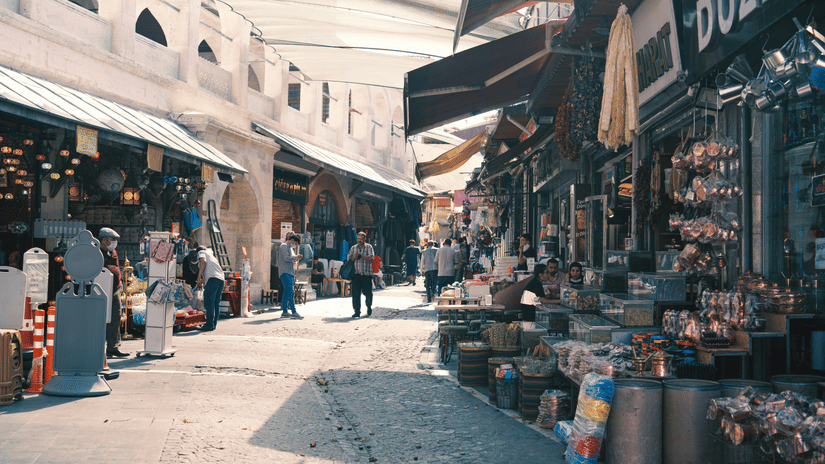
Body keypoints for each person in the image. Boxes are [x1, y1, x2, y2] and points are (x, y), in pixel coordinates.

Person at [99, 228, 128, 358]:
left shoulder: (113, 251)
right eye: (112, 240)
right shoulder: (96, 251)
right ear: (104, 240)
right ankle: (98, 346)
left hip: (114, 288)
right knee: (100, 319)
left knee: (115, 317)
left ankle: (113, 347)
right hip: (100, 289)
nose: (114, 242)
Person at [195, 241, 226, 331]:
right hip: (220, 279)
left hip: (213, 279)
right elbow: (210, 269)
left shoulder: (201, 252)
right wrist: (202, 281)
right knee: (216, 303)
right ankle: (213, 324)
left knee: (209, 302)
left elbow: (203, 262)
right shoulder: (212, 256)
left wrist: (199, 276)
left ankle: (209, 324)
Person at [347, 231, 374, 318]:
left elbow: (371, 258)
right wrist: (353, 257)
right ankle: (357, 311)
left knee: (368, 292)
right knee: (356, 293)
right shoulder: (353, 248)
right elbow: (348, 259)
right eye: (358, 239)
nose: (359, 240)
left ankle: (369, 305)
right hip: (356, 274)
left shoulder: (369, 247)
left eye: (361, 239)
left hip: (367, 274)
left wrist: (361, 256)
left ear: (364, 239)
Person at [277, 234, 303, 319]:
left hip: (290, 272)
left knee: (286, 292)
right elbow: (286, 258)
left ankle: (285, 311)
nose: (295, 245)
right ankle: (293, 311)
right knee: (291, 292)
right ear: (292, 241)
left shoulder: (290, 248)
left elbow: (291, 259)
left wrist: (296, 258)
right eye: (295, 243)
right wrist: (296, 256)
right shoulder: (284, 246)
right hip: (285, 272)